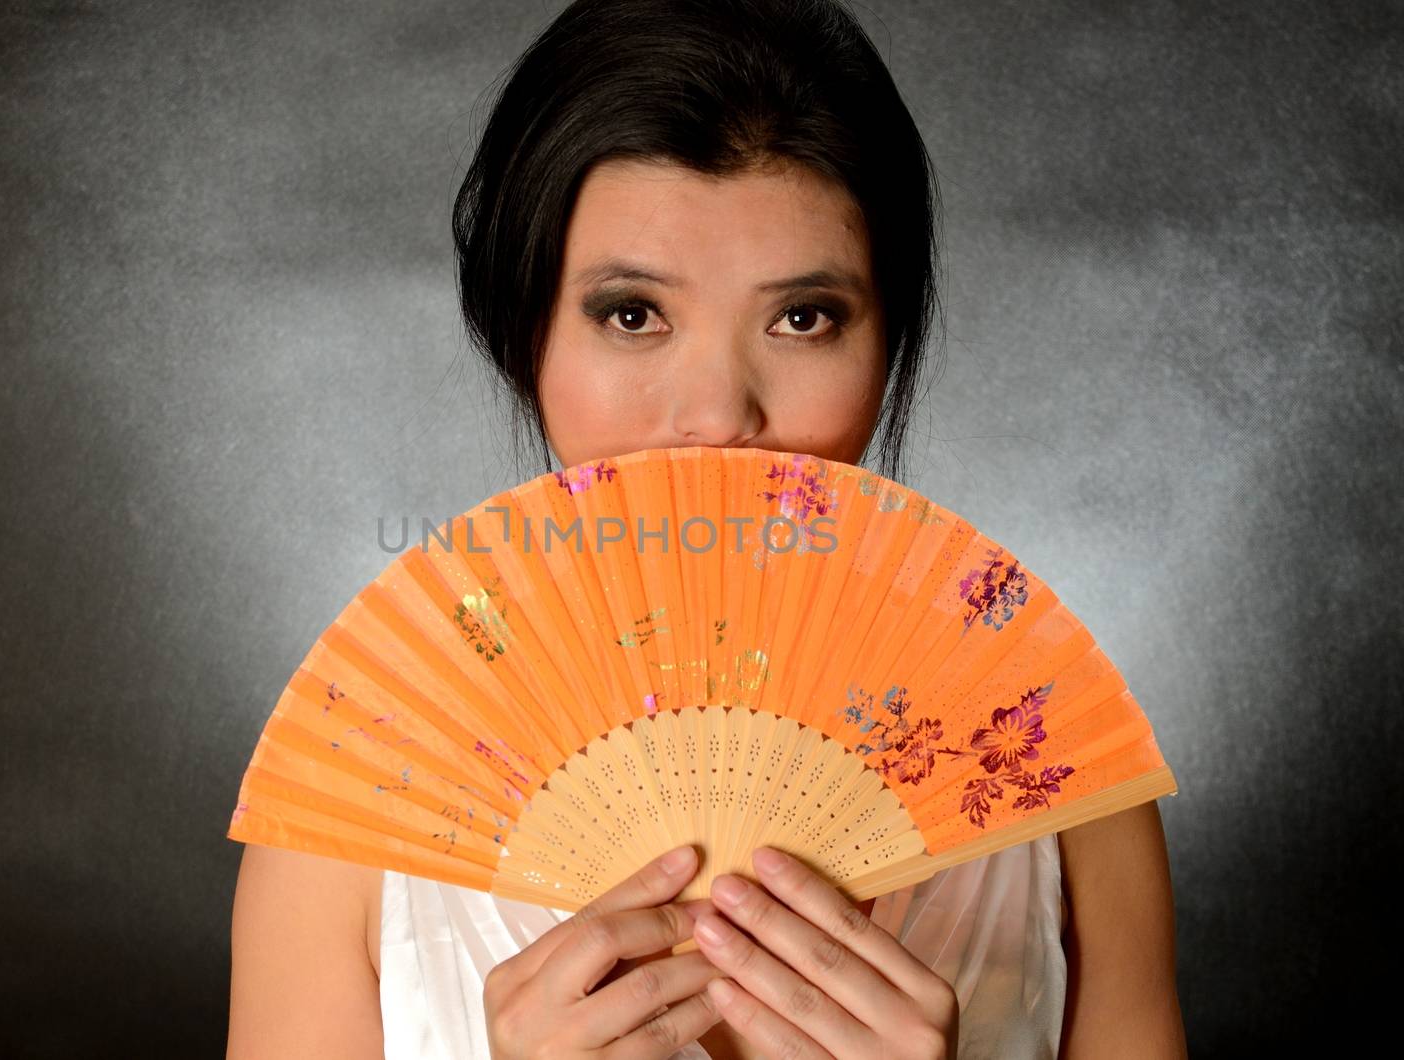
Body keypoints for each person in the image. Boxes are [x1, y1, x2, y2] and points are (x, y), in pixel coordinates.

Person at [226, 1, 1185, 1057]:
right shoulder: (361, 801)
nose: (720, 414)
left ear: (887, 344)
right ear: (523, 333)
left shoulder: (1049, 784)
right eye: (631, 313)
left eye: (803, 316)